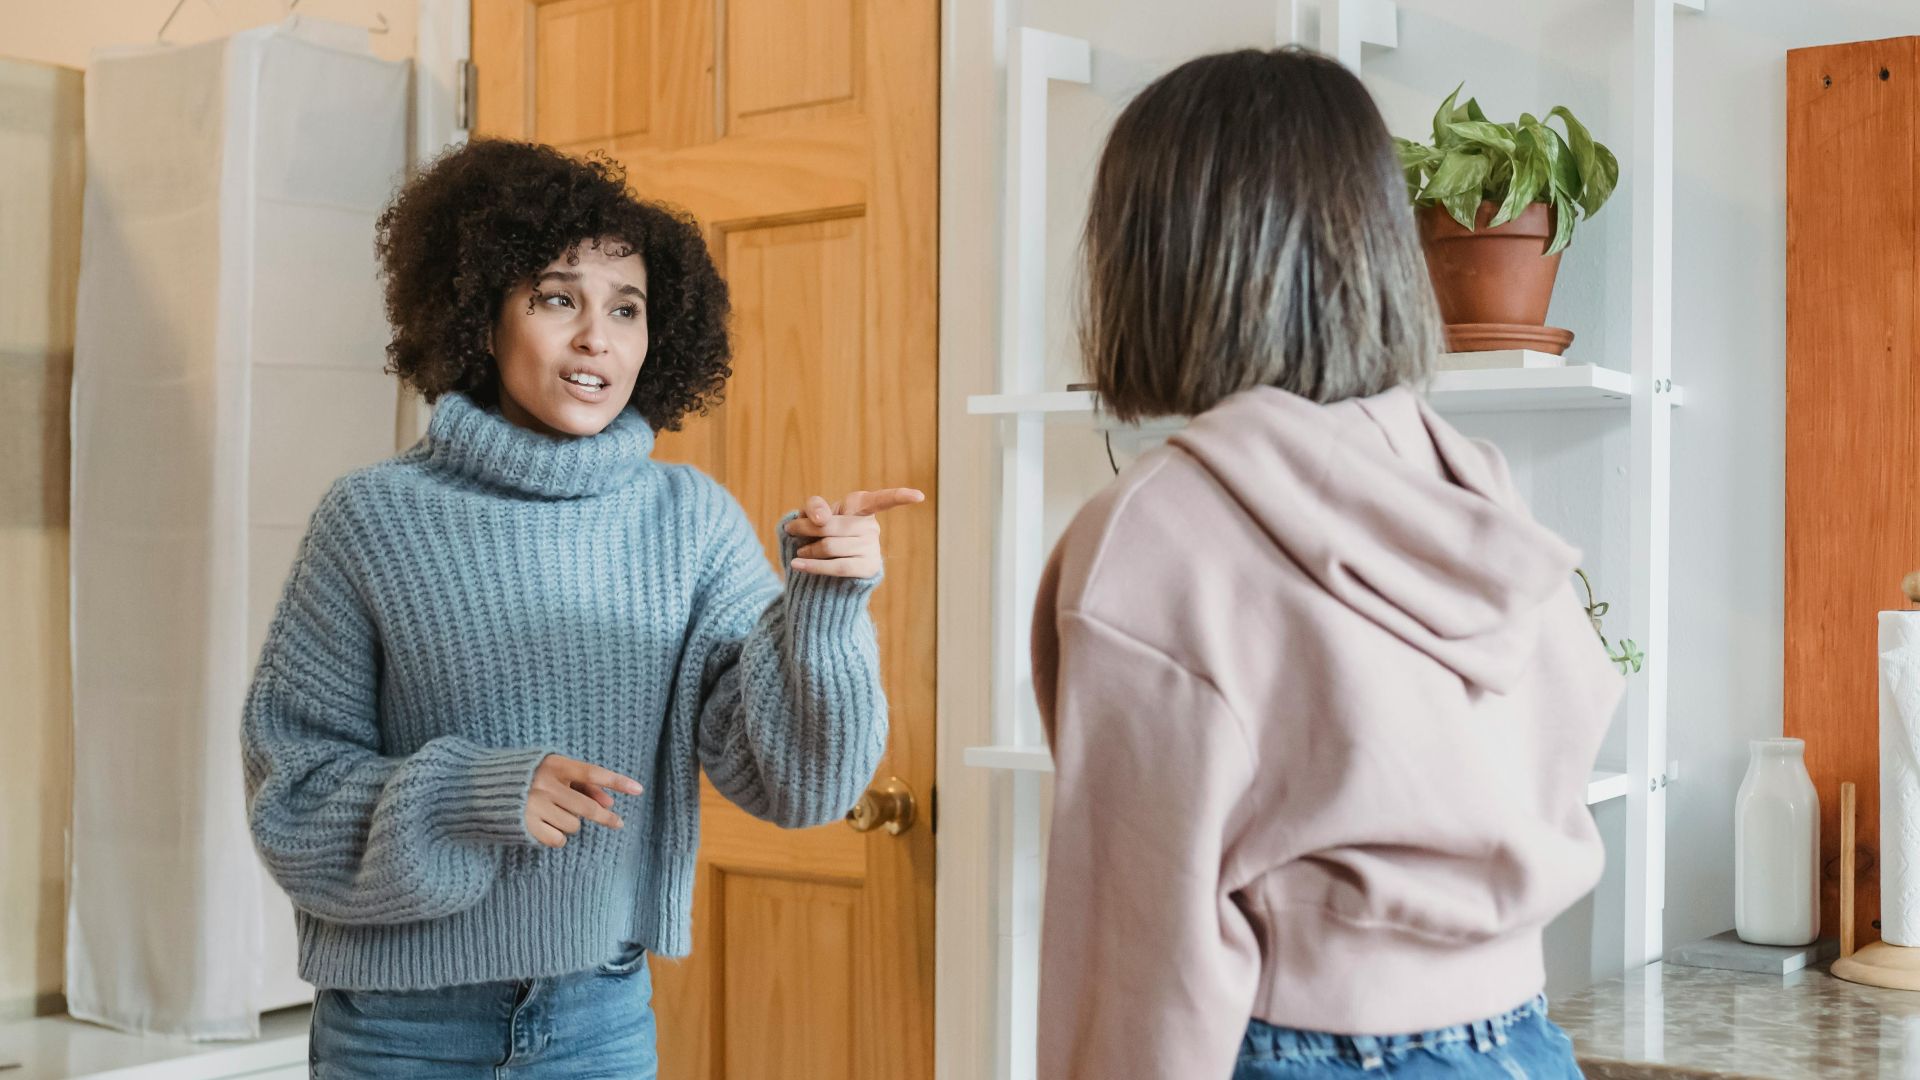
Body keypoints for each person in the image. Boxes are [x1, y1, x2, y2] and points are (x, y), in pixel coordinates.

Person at [240, 138, 920, 1077]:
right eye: (559, 298)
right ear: (481, 318)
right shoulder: (371, 520)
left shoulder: (692, 524)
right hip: (401, 1030)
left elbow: (800, 788)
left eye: (627, 308)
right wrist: (471, 795)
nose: (599, 337)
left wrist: (825, 610)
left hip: (598, 1021)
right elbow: (293, 798)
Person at [1030, 48, 1620, 1079]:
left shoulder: (1153, 533)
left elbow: (1141, 946)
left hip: (1309, 1047)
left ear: (1154, 255)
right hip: (1523, 1042)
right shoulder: (1464, 480)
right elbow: (1571, 710)